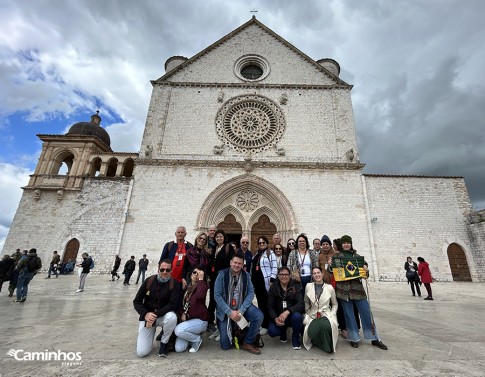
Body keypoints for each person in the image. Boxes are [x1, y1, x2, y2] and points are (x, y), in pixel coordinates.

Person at [330, 235, 388, 350]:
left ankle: (374, 338)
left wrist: (366, 271)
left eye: (348, 242)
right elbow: (331, 270)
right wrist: (330, 265)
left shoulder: (357, 257)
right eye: (344, 243)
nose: (346, 244)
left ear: (351, 244)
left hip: (358, 290)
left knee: (367, 314)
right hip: (344, 291)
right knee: (349, 315)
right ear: (341, 245)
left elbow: (365, 274)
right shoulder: (337, 257)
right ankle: (354, 338)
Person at [214, 253, 264, 355]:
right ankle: (232, 328)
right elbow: (217, 295)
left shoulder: (246, 276)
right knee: (225, 345)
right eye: (235, 263)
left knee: (258, 316)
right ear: (231, 263)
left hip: (241, 308)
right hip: (226, 311)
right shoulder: (222, 275)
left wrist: (241, 310)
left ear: (242, 265)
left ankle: (248, 341)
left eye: (239, 263)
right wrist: (230, 312)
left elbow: (250, 293)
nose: (237, 265)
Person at [133, 259, 182, 358]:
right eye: (162, 269)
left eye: (167, 270)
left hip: (162, 317)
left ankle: (164, 343)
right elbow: (137, 301)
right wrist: (146, 314)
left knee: (172, 317)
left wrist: (154, 315)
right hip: (148, 318)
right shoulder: (149, 281)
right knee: (141, 353)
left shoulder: (175, 284)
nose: (164, 272)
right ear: (158, 269)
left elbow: (172, 304)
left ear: (171, 271)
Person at [303, 267, 338, 352]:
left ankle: (327, 346)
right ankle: (317, 341)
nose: (316, 275)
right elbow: (306, 301)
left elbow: (335, 304)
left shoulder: (329, 288)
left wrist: (333, 313)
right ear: (312, 276)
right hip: (313, 315)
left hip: (326, 314)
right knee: (311, 331)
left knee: (325, 325)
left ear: (322, 274)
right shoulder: (308, 286)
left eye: (318, 272)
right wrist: (307, 312)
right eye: (314, 273)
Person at [267, 266, 304, 349]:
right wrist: (275, 318)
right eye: (281, 274)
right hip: (279, 316)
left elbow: (301, 304)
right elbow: (270, 306)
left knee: (298, 316)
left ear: (290, 276)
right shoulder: (273, 287)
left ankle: (295, 337)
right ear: (278, 276)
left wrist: (287, 312)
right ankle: (282, 332)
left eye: (286, 274)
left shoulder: (295, 285)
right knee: (272, 331)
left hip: (291, 315)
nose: (284, 276)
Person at [174, 266, 209, 353]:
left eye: (199, 273)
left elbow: (199, 296)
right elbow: (180, 304)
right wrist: (182, 313)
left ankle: (197, 339)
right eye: (194, 272)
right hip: (187, 320)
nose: (196, 275)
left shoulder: (203, 286)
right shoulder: (187, 288)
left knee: (179, 330)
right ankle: (192, 335)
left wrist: (201, 279)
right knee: (179, 348)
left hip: (200, 320)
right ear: (190, 274)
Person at [207, 229, 236, 330]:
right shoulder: (214, 248)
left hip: (224, 278)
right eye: (217, 237)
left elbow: (233, 262)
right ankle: (210, 321)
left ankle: (222, 321)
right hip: (214, 278)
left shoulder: (228, 247)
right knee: (212, 299)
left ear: (224, 237)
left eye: (221, 236)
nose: (219, 238)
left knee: (223, 299)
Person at [250, 236, 277, 335]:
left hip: (266, 283)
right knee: (260, 304)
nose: (261, 244)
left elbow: (274, 267)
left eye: (263, 242)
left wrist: (272, 280)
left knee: (266, 304)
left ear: (266, 243)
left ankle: (266, 325)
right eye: (260, 243)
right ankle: (262, 323)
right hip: (257, 283)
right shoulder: (257, 253)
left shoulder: (270, 253)